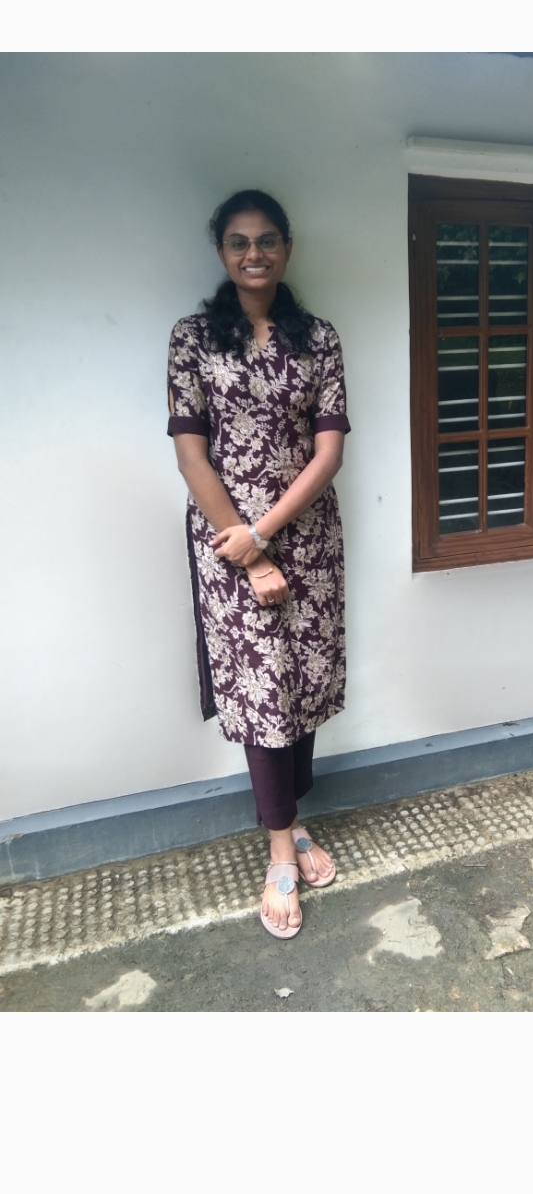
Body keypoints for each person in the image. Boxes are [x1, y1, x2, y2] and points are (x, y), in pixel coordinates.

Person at [167, 189, 350, 939]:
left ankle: (293, 817)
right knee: (263, 690)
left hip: (306, 538)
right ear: (221, 251)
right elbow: (191, 455)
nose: (254, 253)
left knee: (302, 681)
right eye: (239, 241)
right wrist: (245, 550)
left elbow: (328, 453)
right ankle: (280, 848)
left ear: (287, 248)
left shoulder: (319, 338)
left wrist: (266, 535)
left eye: (267, 240)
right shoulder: (193, 338)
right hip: (227, 543)